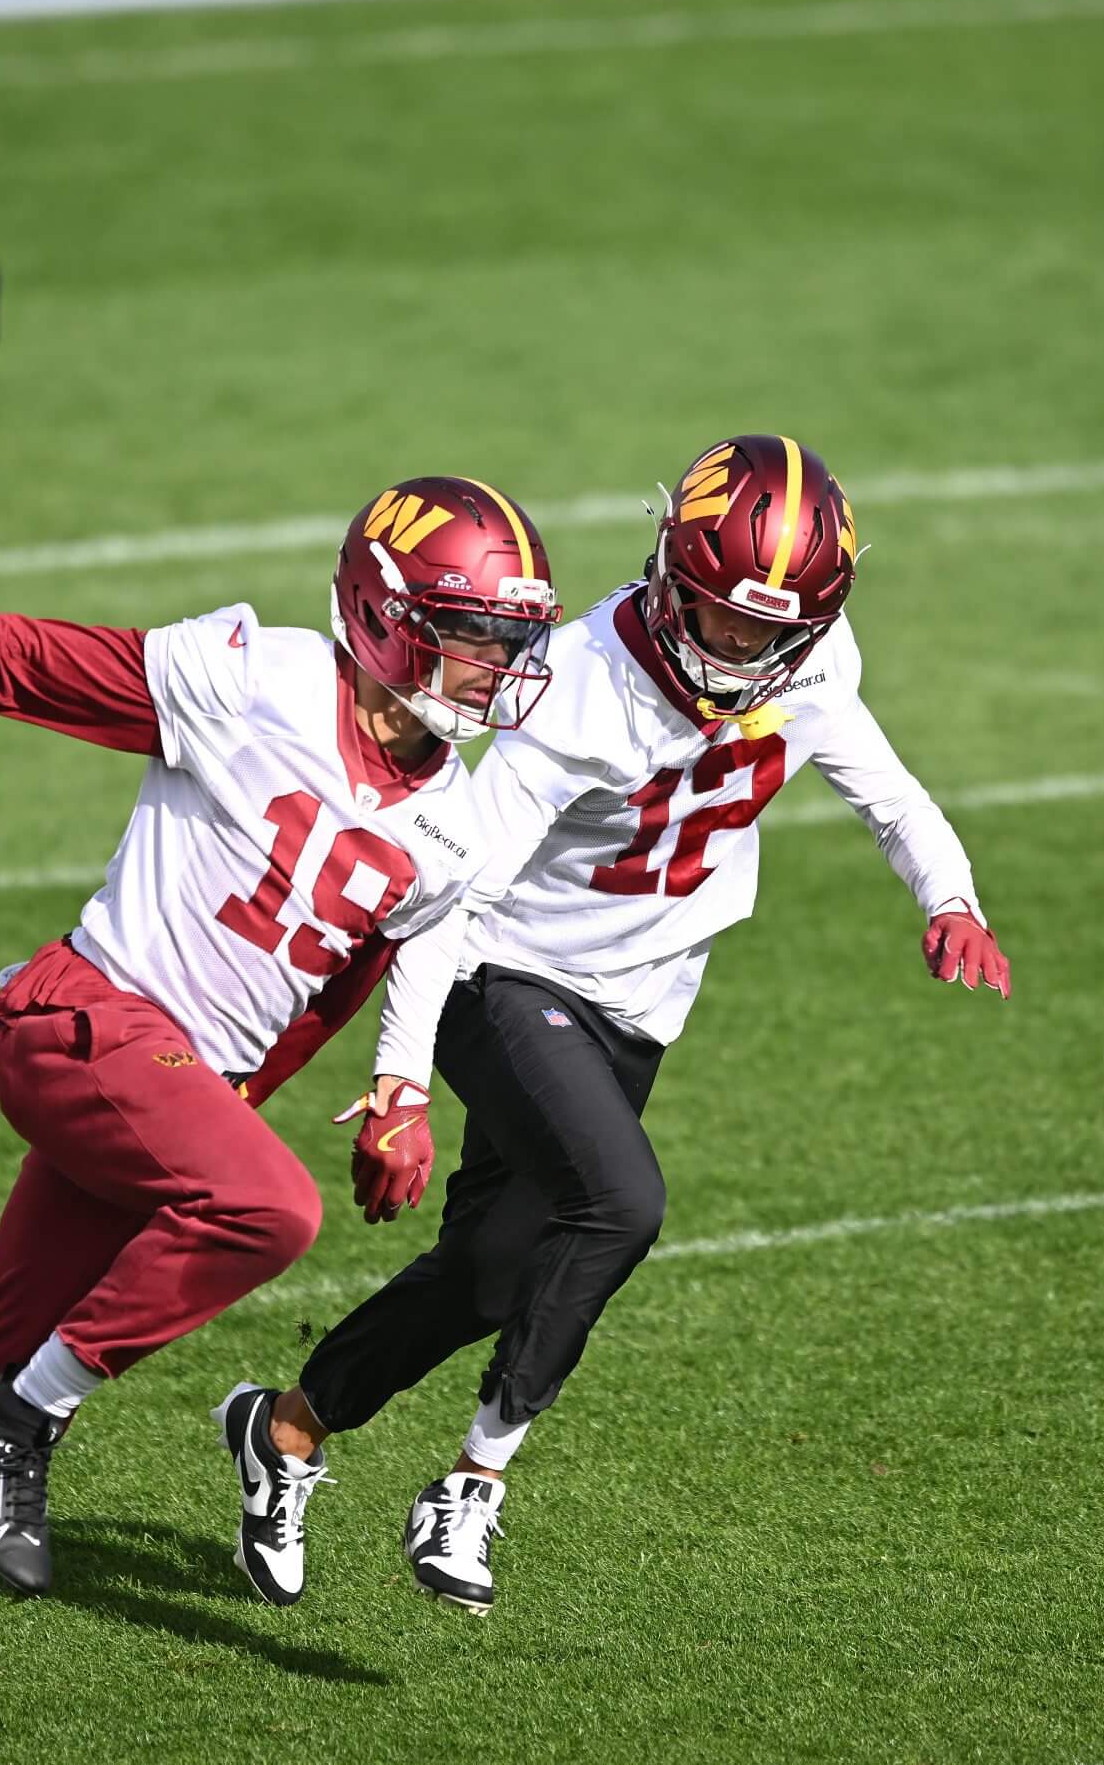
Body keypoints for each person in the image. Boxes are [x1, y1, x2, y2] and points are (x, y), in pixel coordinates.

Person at [0, 476, 560, 1716]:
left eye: (512, 638)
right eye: (475, 635)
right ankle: (28, 1422)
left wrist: (385, 1088)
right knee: (270, 1216)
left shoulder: (453, 822)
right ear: (388, 617)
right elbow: (22, 657)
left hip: (164, 1091)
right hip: (85, 1019)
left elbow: (360, 975)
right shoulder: (256, 678)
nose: (496, 667)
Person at [214, 435, 1012, 1614]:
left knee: (487, 1274)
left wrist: (950, 897)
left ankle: (282, 1430)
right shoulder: (575, 683)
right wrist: (401, 1081)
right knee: (621, 1203)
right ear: (667, 569)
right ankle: (472, 1488)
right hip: (504, 975)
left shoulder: (815, 660)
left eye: (763, 632)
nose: (736, 648)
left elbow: (887, 793)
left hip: (640, 1005)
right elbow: (453, 890)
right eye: (715, 615)